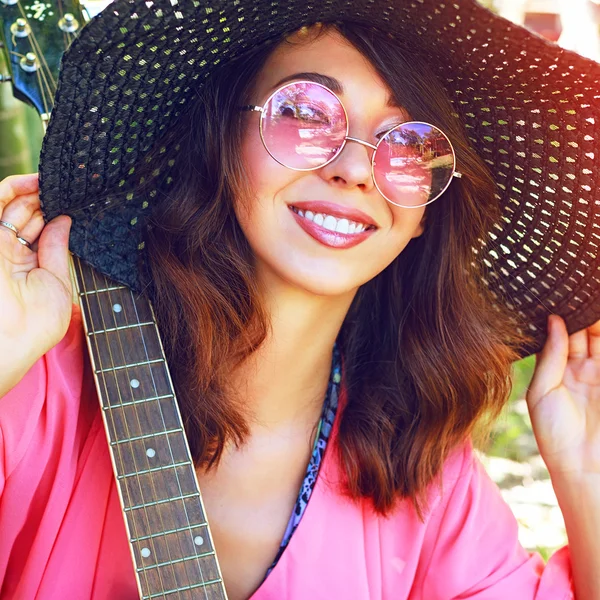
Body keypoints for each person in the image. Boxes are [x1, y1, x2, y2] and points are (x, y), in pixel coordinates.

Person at [0, 1, 599, 598]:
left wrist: (585, 474)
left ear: (424, 215)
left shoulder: (419, 474)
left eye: (409, 144)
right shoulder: (35, 387)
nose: (357, 171)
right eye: (305, 113)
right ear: (221, 136)